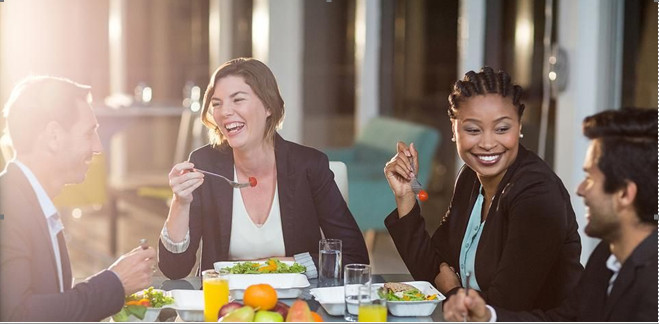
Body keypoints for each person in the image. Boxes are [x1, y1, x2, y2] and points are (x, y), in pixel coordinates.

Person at [383, 67, 583, 311]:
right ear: (454, 130)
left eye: (502, 129)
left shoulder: (538, 194)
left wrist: (452, 291)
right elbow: (434, 271)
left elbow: (505, 308)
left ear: (519, 127)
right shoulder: (470, 178)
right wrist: (405, 196)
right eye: (473, 130)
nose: (488, 144)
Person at [158, 58, 369, 279]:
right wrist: (180, 203)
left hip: (298, 306)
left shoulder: (309, 166)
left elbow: (354, 257)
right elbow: (174, 269)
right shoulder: (205, 164)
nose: (225, 112)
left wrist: (274, 266)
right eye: (217, 103)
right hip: (223, 305)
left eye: (237, 99)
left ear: (268, 106)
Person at [443, 107, 658, 322]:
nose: (581, 189)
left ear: (624, 194)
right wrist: (487, 316)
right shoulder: (607, 255)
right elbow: (566, 320)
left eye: (590, 178)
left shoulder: (652, 284)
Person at [0, 76, 157, 321]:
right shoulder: (8, 207)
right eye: (89, 133)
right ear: (53, 136)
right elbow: (17, 316)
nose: (97, 148)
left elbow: (53, 300)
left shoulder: (30, 200)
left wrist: (115, 280)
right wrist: (115, 283)